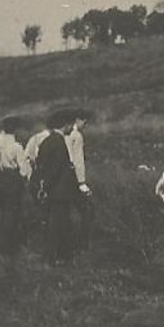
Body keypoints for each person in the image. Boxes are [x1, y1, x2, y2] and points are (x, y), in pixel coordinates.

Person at [33, 110, 79, 262]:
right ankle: (55, 257)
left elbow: (40, 165)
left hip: (52, 190)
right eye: (70, 124)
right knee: (60, 225)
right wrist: (47, 187)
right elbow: (57, 168)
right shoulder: (59, 142)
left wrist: (43, 185)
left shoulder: (46, 141)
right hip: (60, 191)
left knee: (58, 224)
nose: (71, 127)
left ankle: (60, 256)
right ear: (64, 125)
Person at [0, 115, 31, 254]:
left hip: (1, 179)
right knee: (13, 212)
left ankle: (2, 244)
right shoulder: (16, 147)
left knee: (3, 210)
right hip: (13, 180)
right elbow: (24, 170)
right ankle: (10, 246)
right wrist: (25, 178)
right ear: (15, 130)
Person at [66, 107, 94, 252]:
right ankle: (83, 245)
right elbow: (77, 161)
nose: (85, 125)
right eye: (84, 121)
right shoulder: (77, 136)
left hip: (67, 178)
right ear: (78, 120)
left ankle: (73, 242)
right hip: (76, 180)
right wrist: (81, 182)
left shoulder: (67, 134)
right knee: (86, 211)